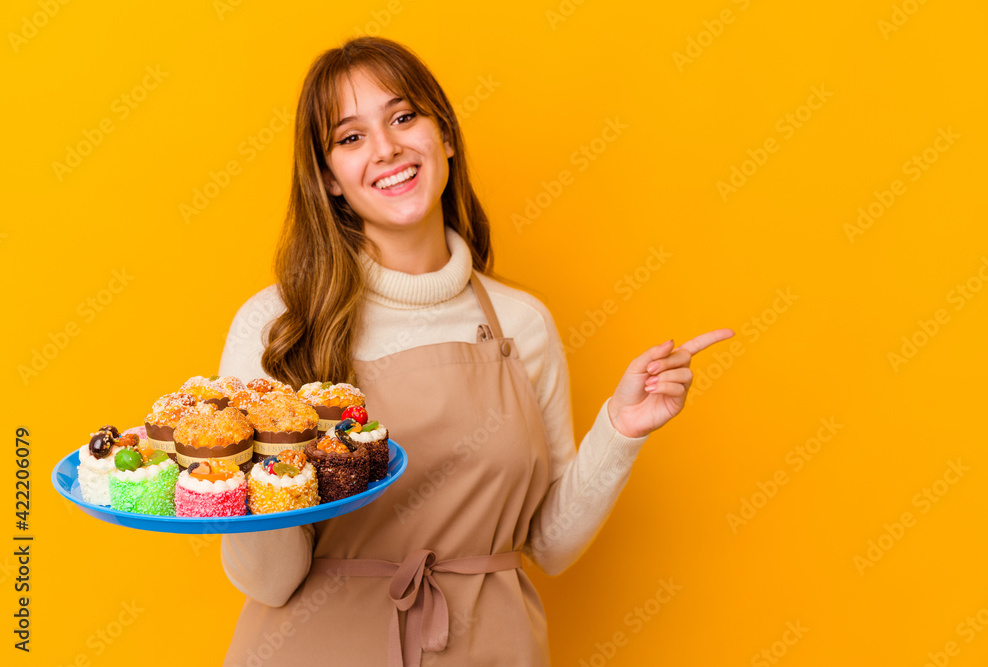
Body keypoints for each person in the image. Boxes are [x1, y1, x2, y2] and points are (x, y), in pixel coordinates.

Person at [217, 36, 733, 666]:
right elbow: (267, 581)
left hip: (490, 648)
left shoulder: (522, 323)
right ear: (328, 179)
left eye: (404, 118)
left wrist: (621, 430)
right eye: (350, 137)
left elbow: (549, 545)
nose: (386, 148)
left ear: (446, 137)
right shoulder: (279, 326)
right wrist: (241, 473)